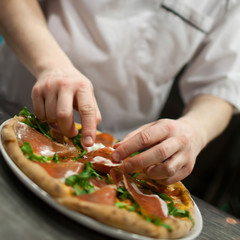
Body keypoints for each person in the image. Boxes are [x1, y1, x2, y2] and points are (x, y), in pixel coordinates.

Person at [0, 0, 239, 185]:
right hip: (15, 113)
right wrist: (51, 65)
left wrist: (195, 130)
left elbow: (220, 84)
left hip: (118, 158)